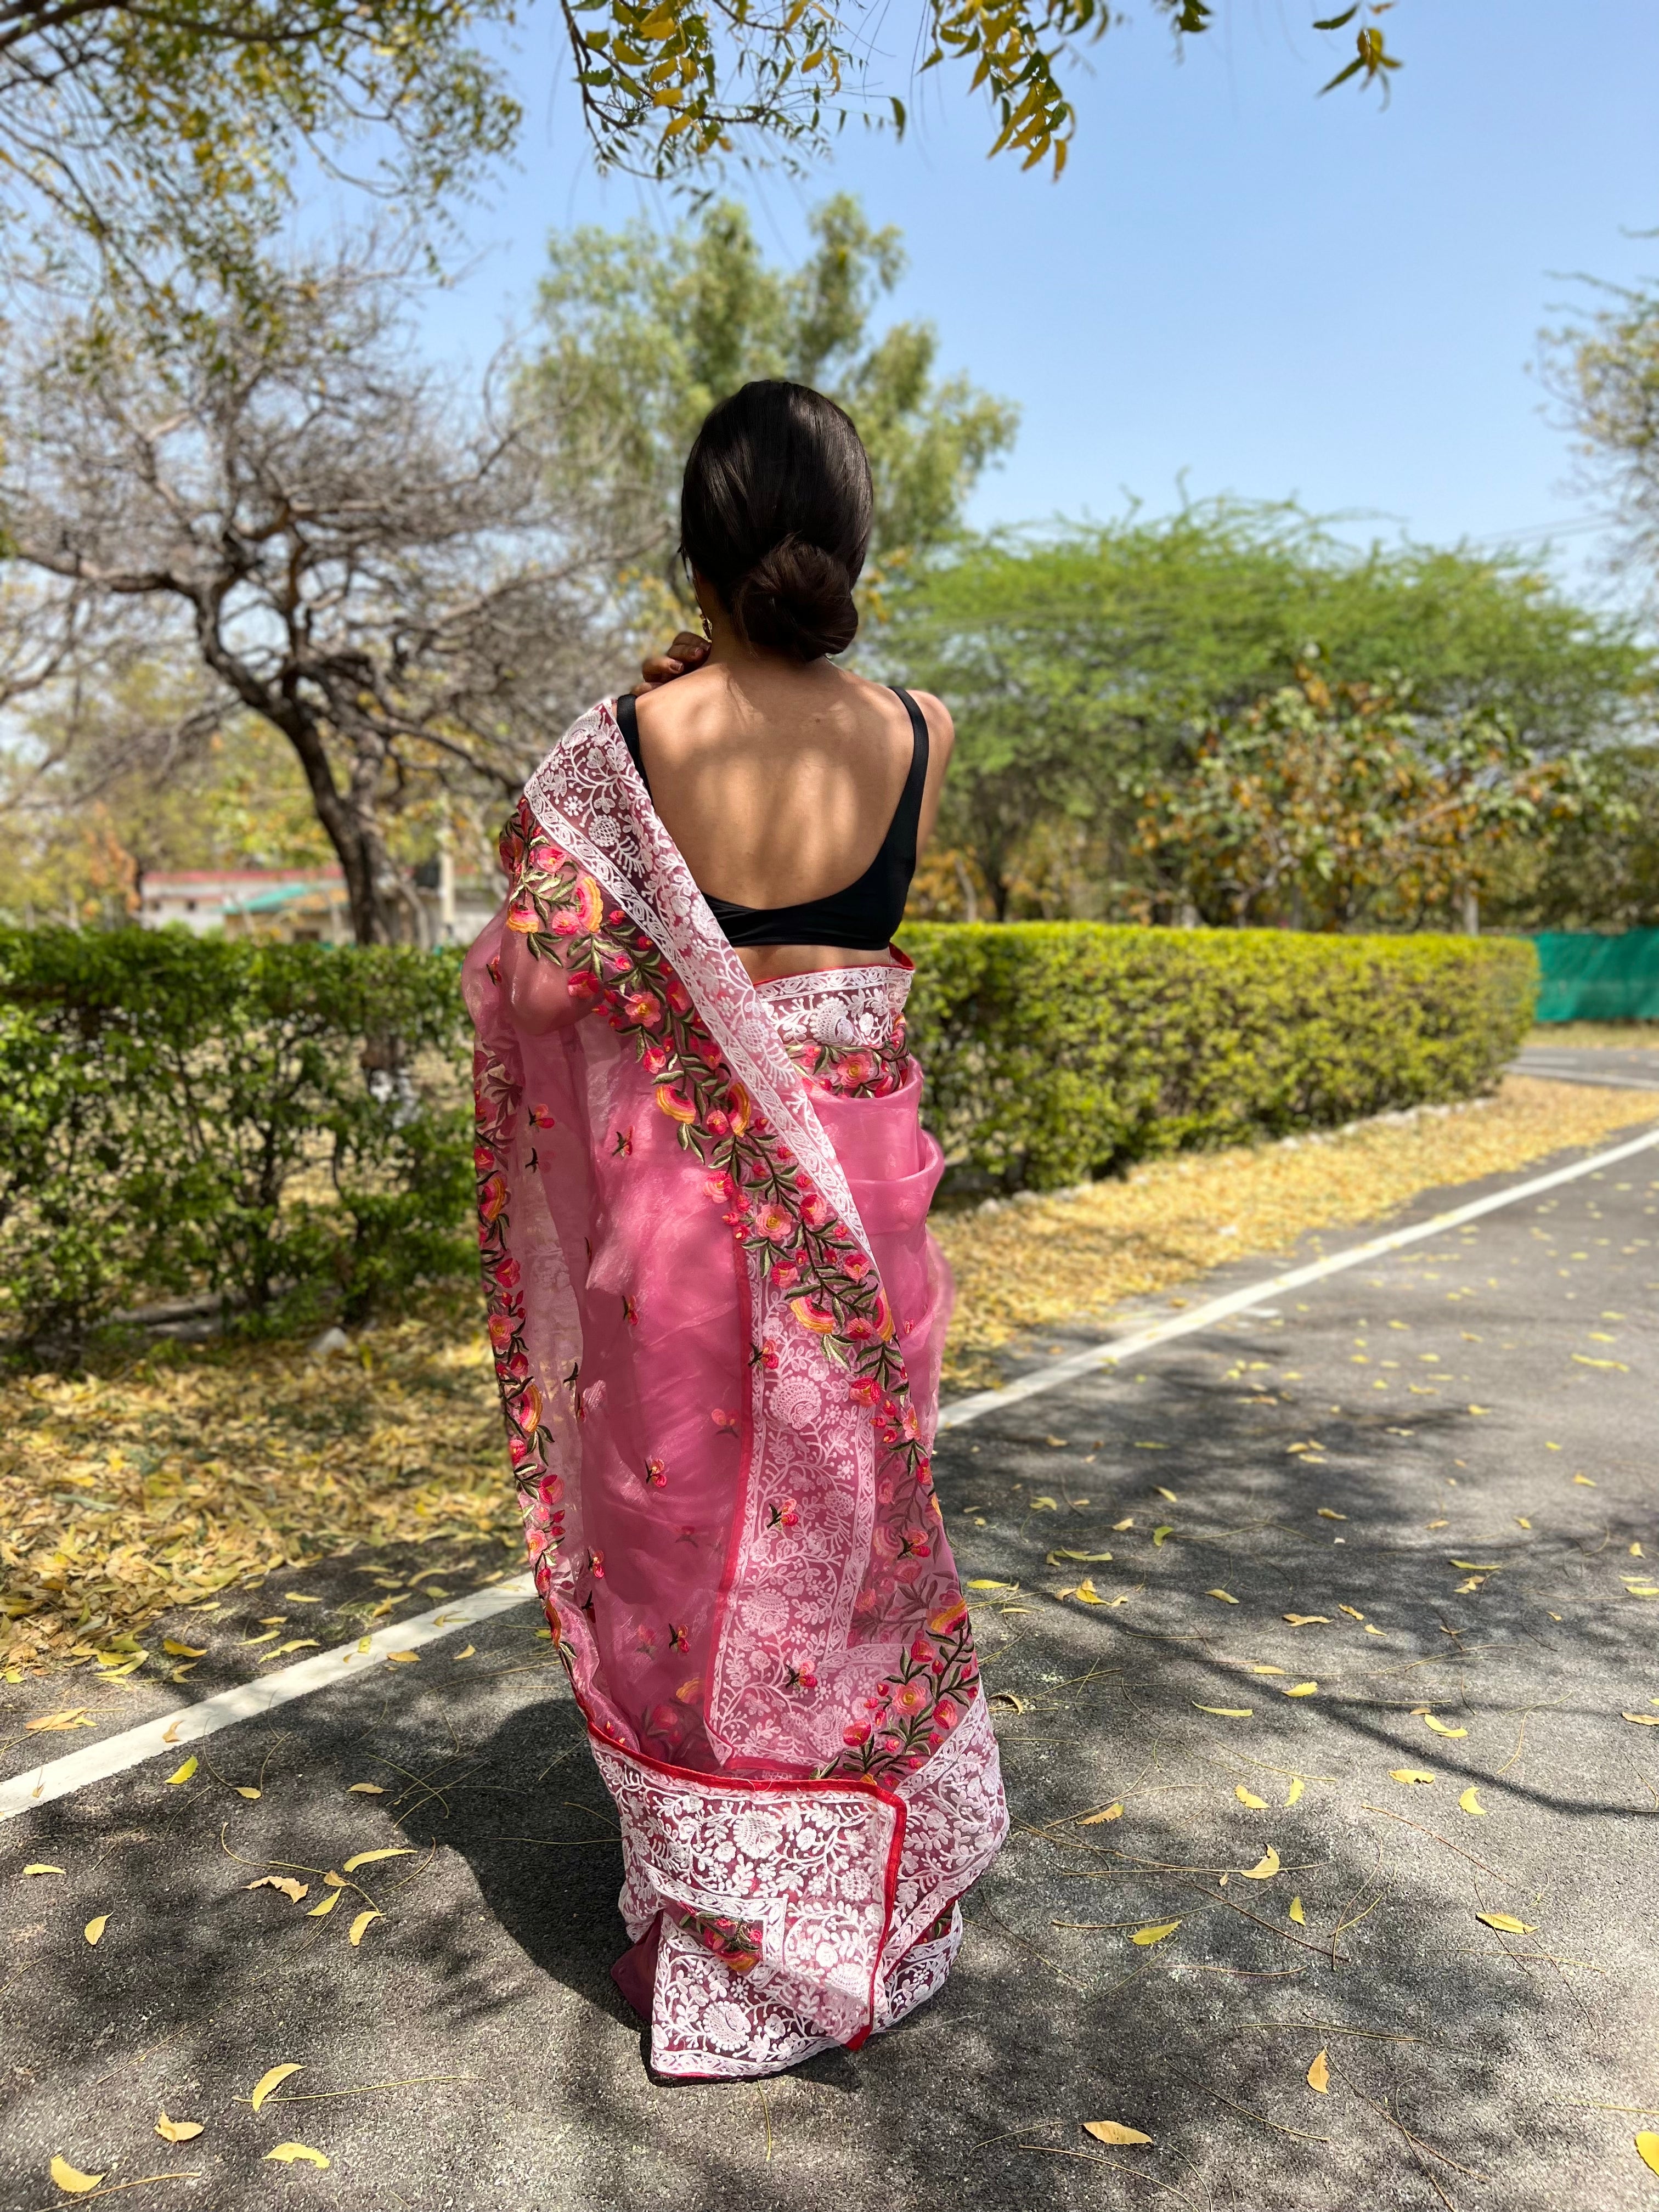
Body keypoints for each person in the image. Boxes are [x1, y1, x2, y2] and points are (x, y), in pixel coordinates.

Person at [462, 380, 1007, 2082]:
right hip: (866, 1200)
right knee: (845, 1546)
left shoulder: (623, 748)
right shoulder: (915, 728)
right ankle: (858, 1890)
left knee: (682, 1546)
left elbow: (541, 980)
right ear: (853, 543)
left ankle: (716, 1923)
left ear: (692, 549)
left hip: (686, 1216)